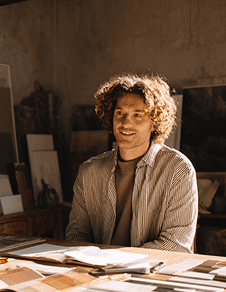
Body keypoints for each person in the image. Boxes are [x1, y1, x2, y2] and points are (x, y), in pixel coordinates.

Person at [65, 73, 198, 253]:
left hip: (152, 274)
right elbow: (76, 235)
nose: (126, 123)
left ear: (154, 123)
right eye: (120, 113)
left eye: (137, 115)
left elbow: (176, 244)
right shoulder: (89, 171)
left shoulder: (178, 170)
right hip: (96, 272)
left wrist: (115, 258)